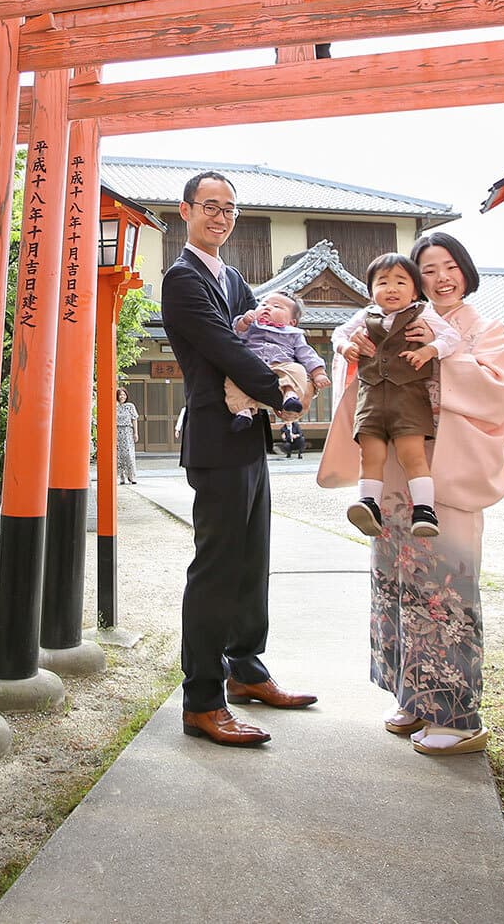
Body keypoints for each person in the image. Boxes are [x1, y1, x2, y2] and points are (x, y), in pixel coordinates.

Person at [321, 231, 504, 756]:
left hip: (446, 478)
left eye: (450, 266)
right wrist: (355, 348)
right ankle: (411, 696)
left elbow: (499, 390)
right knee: (396, 584)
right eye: (428, 270)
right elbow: (352, 354)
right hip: (394, 482)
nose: (441, 278)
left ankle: (457, 717)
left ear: (466, 270)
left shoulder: (485, 329)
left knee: (445, 592)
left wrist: (435, 357)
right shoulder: (398, 318)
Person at [160, 170, 317, 747]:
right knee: (217, 569)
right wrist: (285, 395)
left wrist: (305, 369)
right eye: (210, 206)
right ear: (186, 211)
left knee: (253, 561)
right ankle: (202, 699)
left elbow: (269, 337)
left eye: (230, 208)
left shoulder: (233, 279)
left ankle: (246, 668)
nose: (221, 216)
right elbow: (225, 349)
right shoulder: (181, 280)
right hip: (214, 439)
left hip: (247, 437)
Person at [343, 253, 460, 542]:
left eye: (400, 282)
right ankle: (368, 504)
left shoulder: (422, 313)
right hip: (370, 397)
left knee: (412, 454)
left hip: (408, 396)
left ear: (415, 290)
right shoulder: (364, 316)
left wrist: (428, 350)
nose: (391, 288)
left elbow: (451, 338)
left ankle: (424, 511)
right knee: (371, 453)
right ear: (370, 290)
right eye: (382, 282)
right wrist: (345, 346)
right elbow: (338, 334)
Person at [224, 291, 331, 432]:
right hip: (252, 366)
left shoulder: (293, 334)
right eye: (263, 304)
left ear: (292, 322)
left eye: (276, 306)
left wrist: (319, 373)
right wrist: (244, 322)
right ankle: (243, 411)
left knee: (297, 370)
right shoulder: (252, 327)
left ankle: (290, 394)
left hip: (281, 366)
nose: (267, 308)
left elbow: (307, 354)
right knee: (232, 378)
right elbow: (235, 335)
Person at [113, 385, 140, 485]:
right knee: (119, 455)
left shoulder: (130, 406)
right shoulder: (114, 406)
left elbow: (134, 419)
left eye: (124, 395)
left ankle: (131, 476)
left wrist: (135, 433)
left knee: (129, 455)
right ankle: (122, 476)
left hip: (128, 431)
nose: (122, 397)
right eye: (120, 395)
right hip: (117, 431)